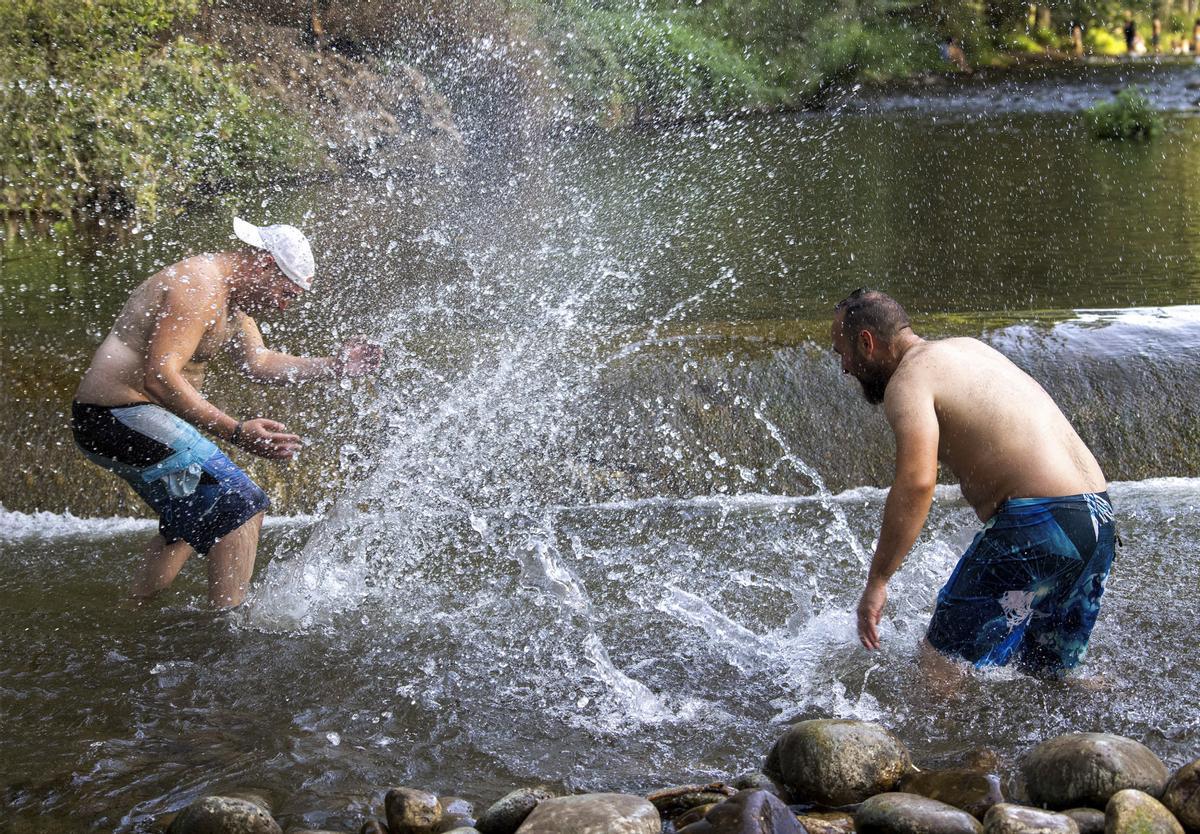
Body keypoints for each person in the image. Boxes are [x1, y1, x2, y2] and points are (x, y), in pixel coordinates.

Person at [72, 217, 383, 608]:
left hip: (124, 419)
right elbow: (158, 377)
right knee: (241, 503)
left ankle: (132, 612)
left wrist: (334, 366)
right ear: (266, 264)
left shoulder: (233, 302)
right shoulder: (199, 285)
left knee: (190, 521)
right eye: (286, 292)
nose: (284, 306)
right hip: (115, 415)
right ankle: (227, 633)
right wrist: (236, 431)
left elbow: (259, 362)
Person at [829, 289, 1116, 679]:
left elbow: (916, 482)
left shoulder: (909, 381)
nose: (844, 366)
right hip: (1097, 518)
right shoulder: (967, 349)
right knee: (1048, 673)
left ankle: (942, 743)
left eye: (841, 351)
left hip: (1041, 520)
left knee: (942, 661)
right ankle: (1091, 740)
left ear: (867, 343)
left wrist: (878, 581)